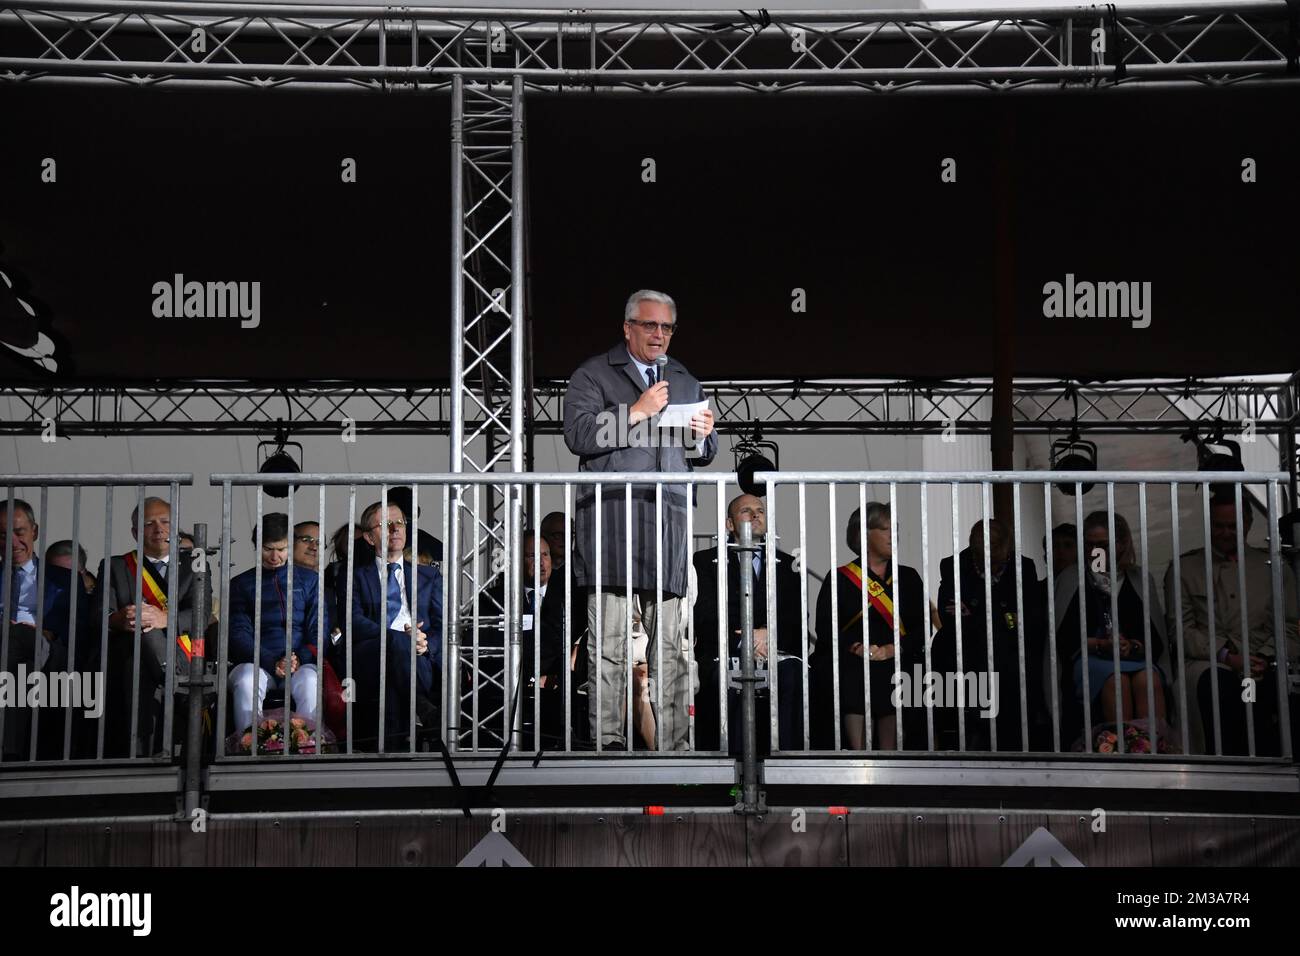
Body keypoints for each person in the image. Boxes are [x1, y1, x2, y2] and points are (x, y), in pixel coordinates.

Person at [563, 289, 717, 750]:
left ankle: (675, 747)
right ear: (627, 328)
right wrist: (636, 411)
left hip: (667, 524)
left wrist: (705, 437)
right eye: (650, 325)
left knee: (670, 648)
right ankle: (606, 743)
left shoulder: (686, 380)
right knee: (608, 645)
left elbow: (705, 453)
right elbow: (578, 435)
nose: (659, 335)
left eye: (667, 327)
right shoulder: (593, 373)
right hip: (612, 520)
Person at [1164, 491, 1299, 755]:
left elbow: (1291, 626)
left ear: (1248, 524)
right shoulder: (1184, 569)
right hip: (1208, 661)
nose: (1225, 533)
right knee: (1219, 690)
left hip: (1265, 658)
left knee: (1272, 693)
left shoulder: (1272, 566)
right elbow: (1181, 630)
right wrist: (1226, 655)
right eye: (1218, 526)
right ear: (1209, 524)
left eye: (1233, 526)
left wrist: (1263, 656)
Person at [94, 496, 211, 757]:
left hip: (183, 653)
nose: (158, 529)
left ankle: (141, 754)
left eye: (165, 522)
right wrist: (120, 618)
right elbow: (100, 614)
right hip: (129, 652)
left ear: (176, 527)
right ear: (135, 532)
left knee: (145, 636)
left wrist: (163, 619)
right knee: (139, 642)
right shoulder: (115, 565)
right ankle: (180, 691)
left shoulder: (195, 564)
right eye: (148, 523)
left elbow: (200, 615)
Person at [693, 494, 808, 753]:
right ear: (730, 524)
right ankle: (728, 767)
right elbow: (705, 615)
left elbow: (797, 618)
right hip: (725, 650)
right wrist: (747, 640)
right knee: (726, 680)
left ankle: (785, 765)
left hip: (774, 651)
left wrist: (768, 635)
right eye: (746, 511)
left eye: (761, 510)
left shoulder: (788, 564)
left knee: (792, 676)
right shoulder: (705, 562)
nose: (756, 515)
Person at [810, 502, 925, 751]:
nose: (893, 535)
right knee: (851, 670)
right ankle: (857, 753)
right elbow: (826, 629)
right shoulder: (839, 577)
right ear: (862, 534)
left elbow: (921, 628)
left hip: (897, 654)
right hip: (852, 656)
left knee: (896, 669)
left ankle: (890, 754)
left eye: (894, 528)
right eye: (885, 529)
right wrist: (858, 648)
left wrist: (892, 650)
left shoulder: (909, 577)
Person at [1055, 511, 1169, 749]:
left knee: (1149, 680)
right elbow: (1063, 639)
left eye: (1103, 545)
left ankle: (1156, 752)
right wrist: (1100, 644)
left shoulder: (1139, 578)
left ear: (1121, 545)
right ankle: (1122, 754)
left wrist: (1134, 645)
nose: (1096, 551)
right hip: (1090, 657)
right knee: (1115, 681)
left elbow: (1155, 636)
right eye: (1090, 545)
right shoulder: (1071, 578)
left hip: (1134, 657)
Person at [935, 518, 1049, 752]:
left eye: (997, 563)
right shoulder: (953, 566)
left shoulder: (1023, 568)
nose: (991, 568)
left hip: (1011, 649)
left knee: (1012, 659)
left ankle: (1008, 738)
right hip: (967, 647)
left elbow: (1030, 619)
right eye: (983, 562)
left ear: (1008, 551)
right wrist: (1002, 616)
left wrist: (974, 612)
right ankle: (976, 734)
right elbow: (950, 620)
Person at [347, 501, 443, 749]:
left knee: (391, 681)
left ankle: (391, 755)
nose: (395, 529)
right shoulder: (354, 576)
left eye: (399, 522)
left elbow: (444, 626)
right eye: (385, 524)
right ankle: (420, 705)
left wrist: (424, 644)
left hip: (418, 657)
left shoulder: (428, 576)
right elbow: (353, 621)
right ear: (369, 537)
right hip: (370, 654)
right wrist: (396, 637)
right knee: (394, 649)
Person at [1, 500, 87, 760]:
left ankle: (10, 754)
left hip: (49, 650)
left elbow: (79, 626)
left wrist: (46, 632)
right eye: (3, 535)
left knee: (22, 640)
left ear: (34, 532)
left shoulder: (65, 579)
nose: (14, 543)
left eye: (19, 532)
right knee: (15, 651)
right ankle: (14, 753)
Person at [228, 514, 321, 733]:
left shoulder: (310, 580)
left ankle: (306, 744)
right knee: (246, 679)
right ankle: (247, 744)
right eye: (268, 548)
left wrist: (299, 658)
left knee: (310, 681)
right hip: (257, 663)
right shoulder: (241, 584)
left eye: (282, 549)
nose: (275, 556)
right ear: (256, 546)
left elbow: (318, 628)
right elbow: (238, 632)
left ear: (291, 546)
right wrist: (272, 662)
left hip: (301, 662)